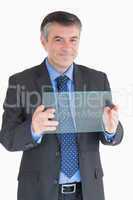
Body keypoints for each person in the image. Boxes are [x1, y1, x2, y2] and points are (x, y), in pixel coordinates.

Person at [0, 11, 123, 200]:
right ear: (44, 41)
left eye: (73, 39)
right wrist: (33, 129)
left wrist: (110, 129)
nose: (67, 47)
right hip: (38, 192)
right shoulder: (21, 82)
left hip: (88, 191)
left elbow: (113, 133)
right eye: (59, 39)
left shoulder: (97, 79)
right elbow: (7, 138)